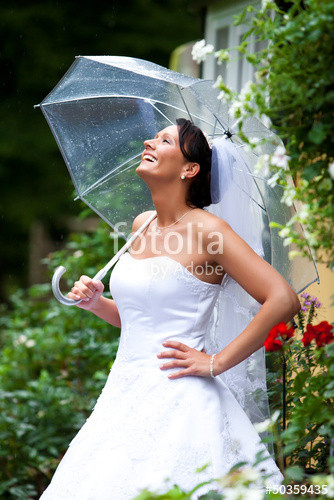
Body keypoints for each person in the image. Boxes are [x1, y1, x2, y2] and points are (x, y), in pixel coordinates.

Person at [40, 118, 300, 499]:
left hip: (182, 398)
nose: (149, 141)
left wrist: (217, 362)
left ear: (189, 169)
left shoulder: (210, 232)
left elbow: (283, 299)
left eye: (164, 140)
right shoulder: (141, 224)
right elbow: (139, 319)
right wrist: (96, 303)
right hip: (124, 396)